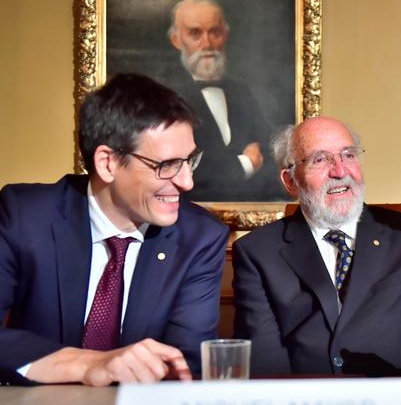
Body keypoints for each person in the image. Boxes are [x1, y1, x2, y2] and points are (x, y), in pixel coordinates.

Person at [0, 73, 229, 386]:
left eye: (189, 160)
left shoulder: (201, 237)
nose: (187, 182)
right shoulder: (24, 216)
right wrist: (86, 365)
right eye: (167, 165)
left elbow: (185, 364)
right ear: (107, 163)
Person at [232, 117, 401, 376]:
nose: (340, 171)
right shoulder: (257, 253)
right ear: (291, 181)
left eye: (348, 155)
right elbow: (266, 364)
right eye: (319, 159)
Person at [166, 0, 281, 201]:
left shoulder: (240, 90)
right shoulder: (165, 94)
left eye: (215, 32)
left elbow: (269, 150)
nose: (207, 43)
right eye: (195, 33)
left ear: (225, 35)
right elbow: (181, 168)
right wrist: (245, 164)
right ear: (176, 39)